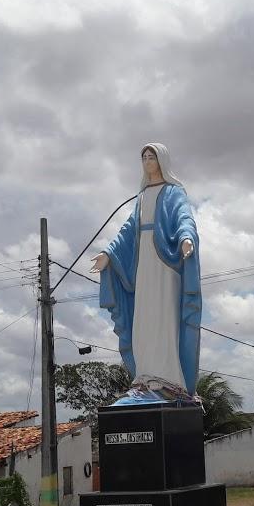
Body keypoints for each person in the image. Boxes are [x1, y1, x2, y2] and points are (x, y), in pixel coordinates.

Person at [92, 143, 201, 400]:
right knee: (144, 318)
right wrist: (108, 253)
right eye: (144, 157)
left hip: (166, 263)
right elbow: (128, 229)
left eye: (152, 156)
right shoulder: (141, 197)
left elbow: (185, 217)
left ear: (161, 160)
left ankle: (169, 379)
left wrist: (186, 237)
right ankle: (145, 375)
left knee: (165, 318)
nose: (148, 161)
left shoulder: (174, 192)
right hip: (144, 265)